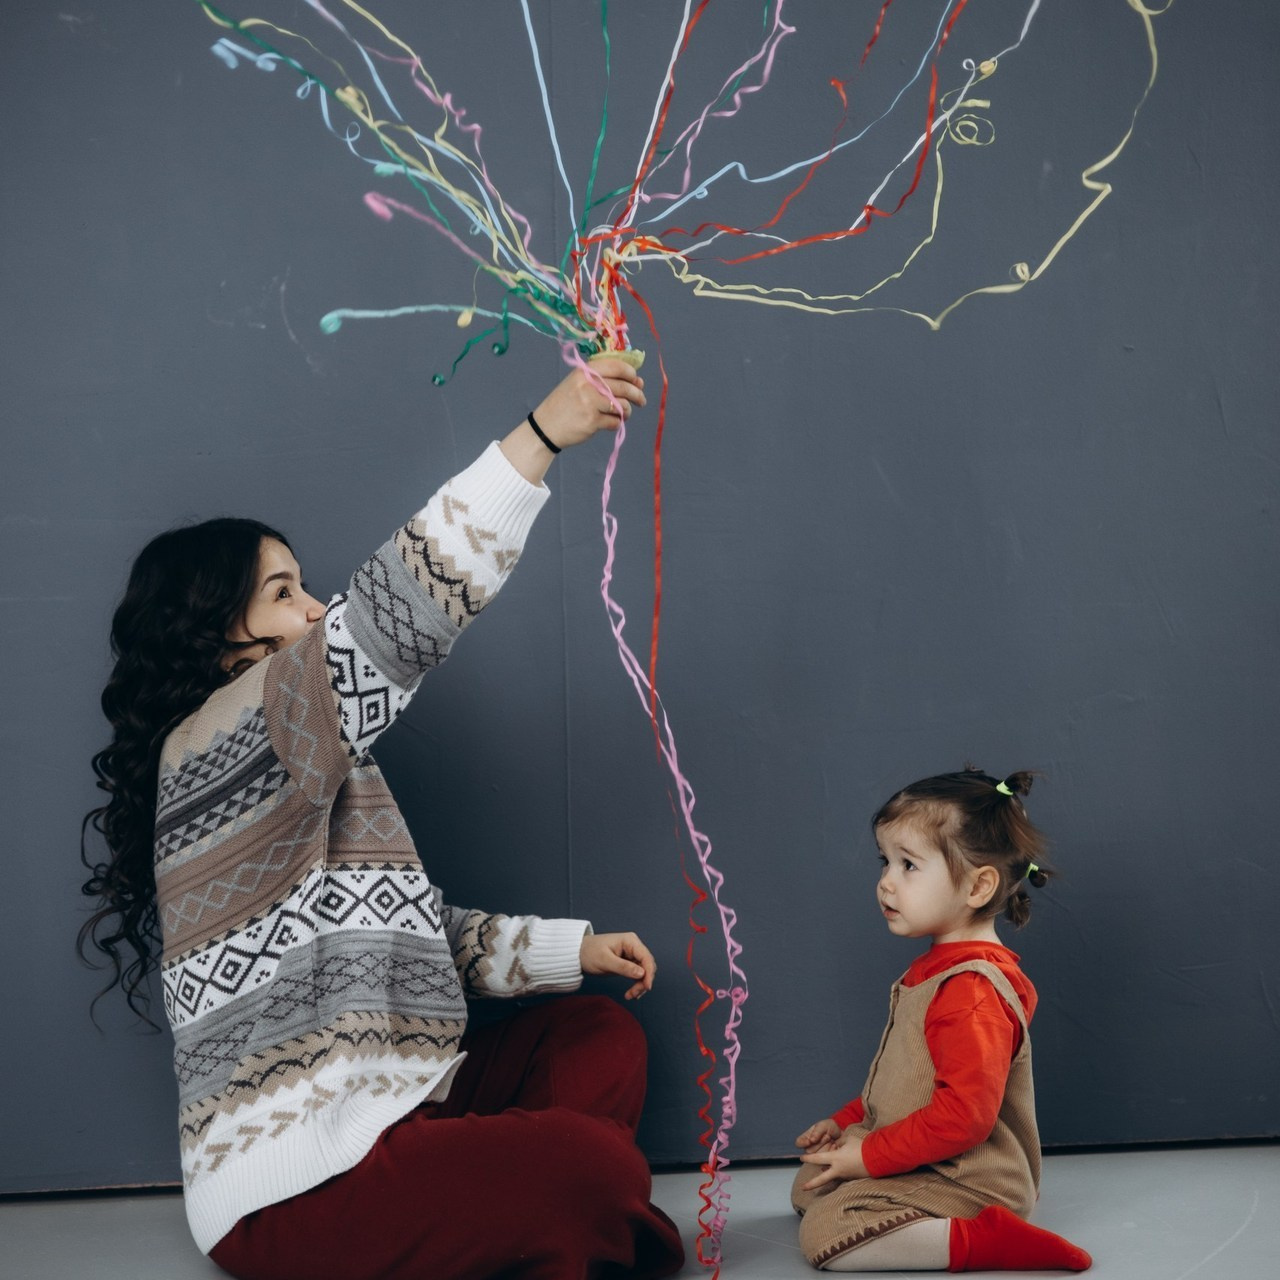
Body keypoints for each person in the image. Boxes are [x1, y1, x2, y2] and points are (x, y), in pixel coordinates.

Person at [79, 359, 685, 1280]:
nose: (315, 609)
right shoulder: (224, 738)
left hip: (398, 1103)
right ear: (211, 632)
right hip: (294, 1189)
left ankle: (513, 1215)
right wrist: (542, 435)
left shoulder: (301, 755)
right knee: (591, 1169)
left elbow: (406, 936)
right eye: (284, 593)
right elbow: (402, 608)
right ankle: (551, 1210)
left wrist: (571, 951)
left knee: (595, 1037)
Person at [791, 768, 1092, 1273]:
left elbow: (965, 1117)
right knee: (809, 1183)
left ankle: (987, 1238)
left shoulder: (970, 990)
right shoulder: (936, 969)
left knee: (826, 1231)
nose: (886, 881)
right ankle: (898, 1205)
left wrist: (868, 1158)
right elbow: (904, 1081)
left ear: (978, 886)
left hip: (971, 1176)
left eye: (909, 865)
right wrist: (846, 1124)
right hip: (934, 1155)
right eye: (885, 861)